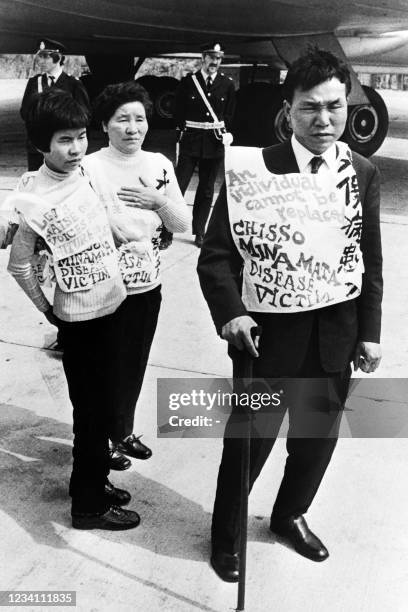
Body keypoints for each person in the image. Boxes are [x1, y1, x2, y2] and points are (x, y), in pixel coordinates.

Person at [197, 47, 383, 581]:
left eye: (334, 107)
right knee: (249, 442)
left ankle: (290, 515)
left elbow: (370, 259)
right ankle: (226, 535)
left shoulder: (363, 171)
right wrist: (231, 313)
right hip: (266, 337)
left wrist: (369, 332)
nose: (324, 120)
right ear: (288, 109)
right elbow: (215, 256)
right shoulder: (254, 170)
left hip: (335, 339)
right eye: (310, 108)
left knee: (315, 441)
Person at [8, 89, 140, 530]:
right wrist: (49, 308)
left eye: (82, 136)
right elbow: (19, 263)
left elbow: (104, 218)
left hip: (115, 306)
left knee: (104, 406)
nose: (77, 148)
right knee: (90, 415)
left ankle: (94, 481)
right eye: (65, 139)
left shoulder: (86, 175)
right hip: (80, 320)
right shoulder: (33, 198)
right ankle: (87, 506)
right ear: (42, 145)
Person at [82, 81, 190, 469]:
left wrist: (159, 201)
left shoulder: (159, 164)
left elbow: (181, 223)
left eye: (140, 119)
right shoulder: (89, 166)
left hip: (147, 284)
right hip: (102, 287)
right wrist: (105, 219)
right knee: (102, 366)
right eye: (122, 120)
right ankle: (101, 440)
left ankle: (122, 430)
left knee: (134, 362)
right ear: (105, 124)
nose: (133, 128)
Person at [163, 42, 235, 249]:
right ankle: (168, 231)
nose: (215, 62)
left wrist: (228, 133)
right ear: (203, 58)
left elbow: (230, 113)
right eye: (211, 57)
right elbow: (178, 112)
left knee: (206, 190)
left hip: (214, 144)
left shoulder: (227, 84)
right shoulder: (188, 82)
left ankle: (200, 232)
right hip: (191, 141)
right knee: (178, 187)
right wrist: (179, 134)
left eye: (218, 58)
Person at [20, 38, 89, 171]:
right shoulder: (35, 82)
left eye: (46, 57)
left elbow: (85, 115)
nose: (41, 61)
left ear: (58, 57)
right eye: (40, 57)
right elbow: (25, 112)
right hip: (38, 147)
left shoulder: (73, 84)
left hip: (64, 148)